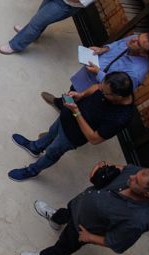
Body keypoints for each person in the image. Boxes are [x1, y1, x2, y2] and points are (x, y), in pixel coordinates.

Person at [19, 162, 149, 255]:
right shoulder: (138, 174)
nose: (131, 177)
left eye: (136, 181)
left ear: (147, 194)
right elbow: (123, 168)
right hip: (80, 202)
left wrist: (89, 237)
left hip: (82, 228)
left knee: (63, 247)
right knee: (65, 212)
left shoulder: (138, 220)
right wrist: (102, 168)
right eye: (136, 174)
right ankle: (55, 218)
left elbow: (116, 242)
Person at [8, 71, 137, 180]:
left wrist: (76, 112)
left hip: (72, 136)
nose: (101, 91)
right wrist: (81, 94)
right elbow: (97, 87)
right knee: (52, 132)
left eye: (104, 93)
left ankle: (32, 171)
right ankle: (35, 147)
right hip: (66, 116)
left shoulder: (121, 118)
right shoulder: (109, 87)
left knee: (52, 153)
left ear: (118, 97)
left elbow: (94, 139)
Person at [52, 31, 149, 98]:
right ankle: (59, 103)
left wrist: (98, 73)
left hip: (97, 90)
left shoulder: (136, 73)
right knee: (72, 91)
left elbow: (117, 90)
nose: (133, 39)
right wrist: (104, 49)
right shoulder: (134, 39)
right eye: (138, 36)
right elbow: (118, 43)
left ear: (144, 54)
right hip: (86, 76)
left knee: (75, 107)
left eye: (138, 43)